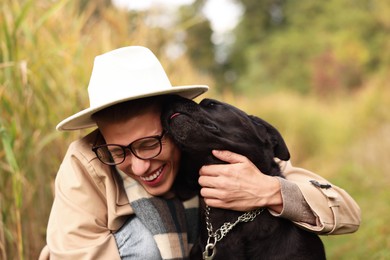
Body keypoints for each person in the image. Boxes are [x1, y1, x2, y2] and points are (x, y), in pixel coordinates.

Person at [39, 46, 360, 259]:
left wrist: (268, 191)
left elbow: (346, 212)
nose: (137, 165)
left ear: (172, 121)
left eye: (149, 144)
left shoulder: (208, 145)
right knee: (143, 240)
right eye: (118, 151)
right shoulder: (85, 162)